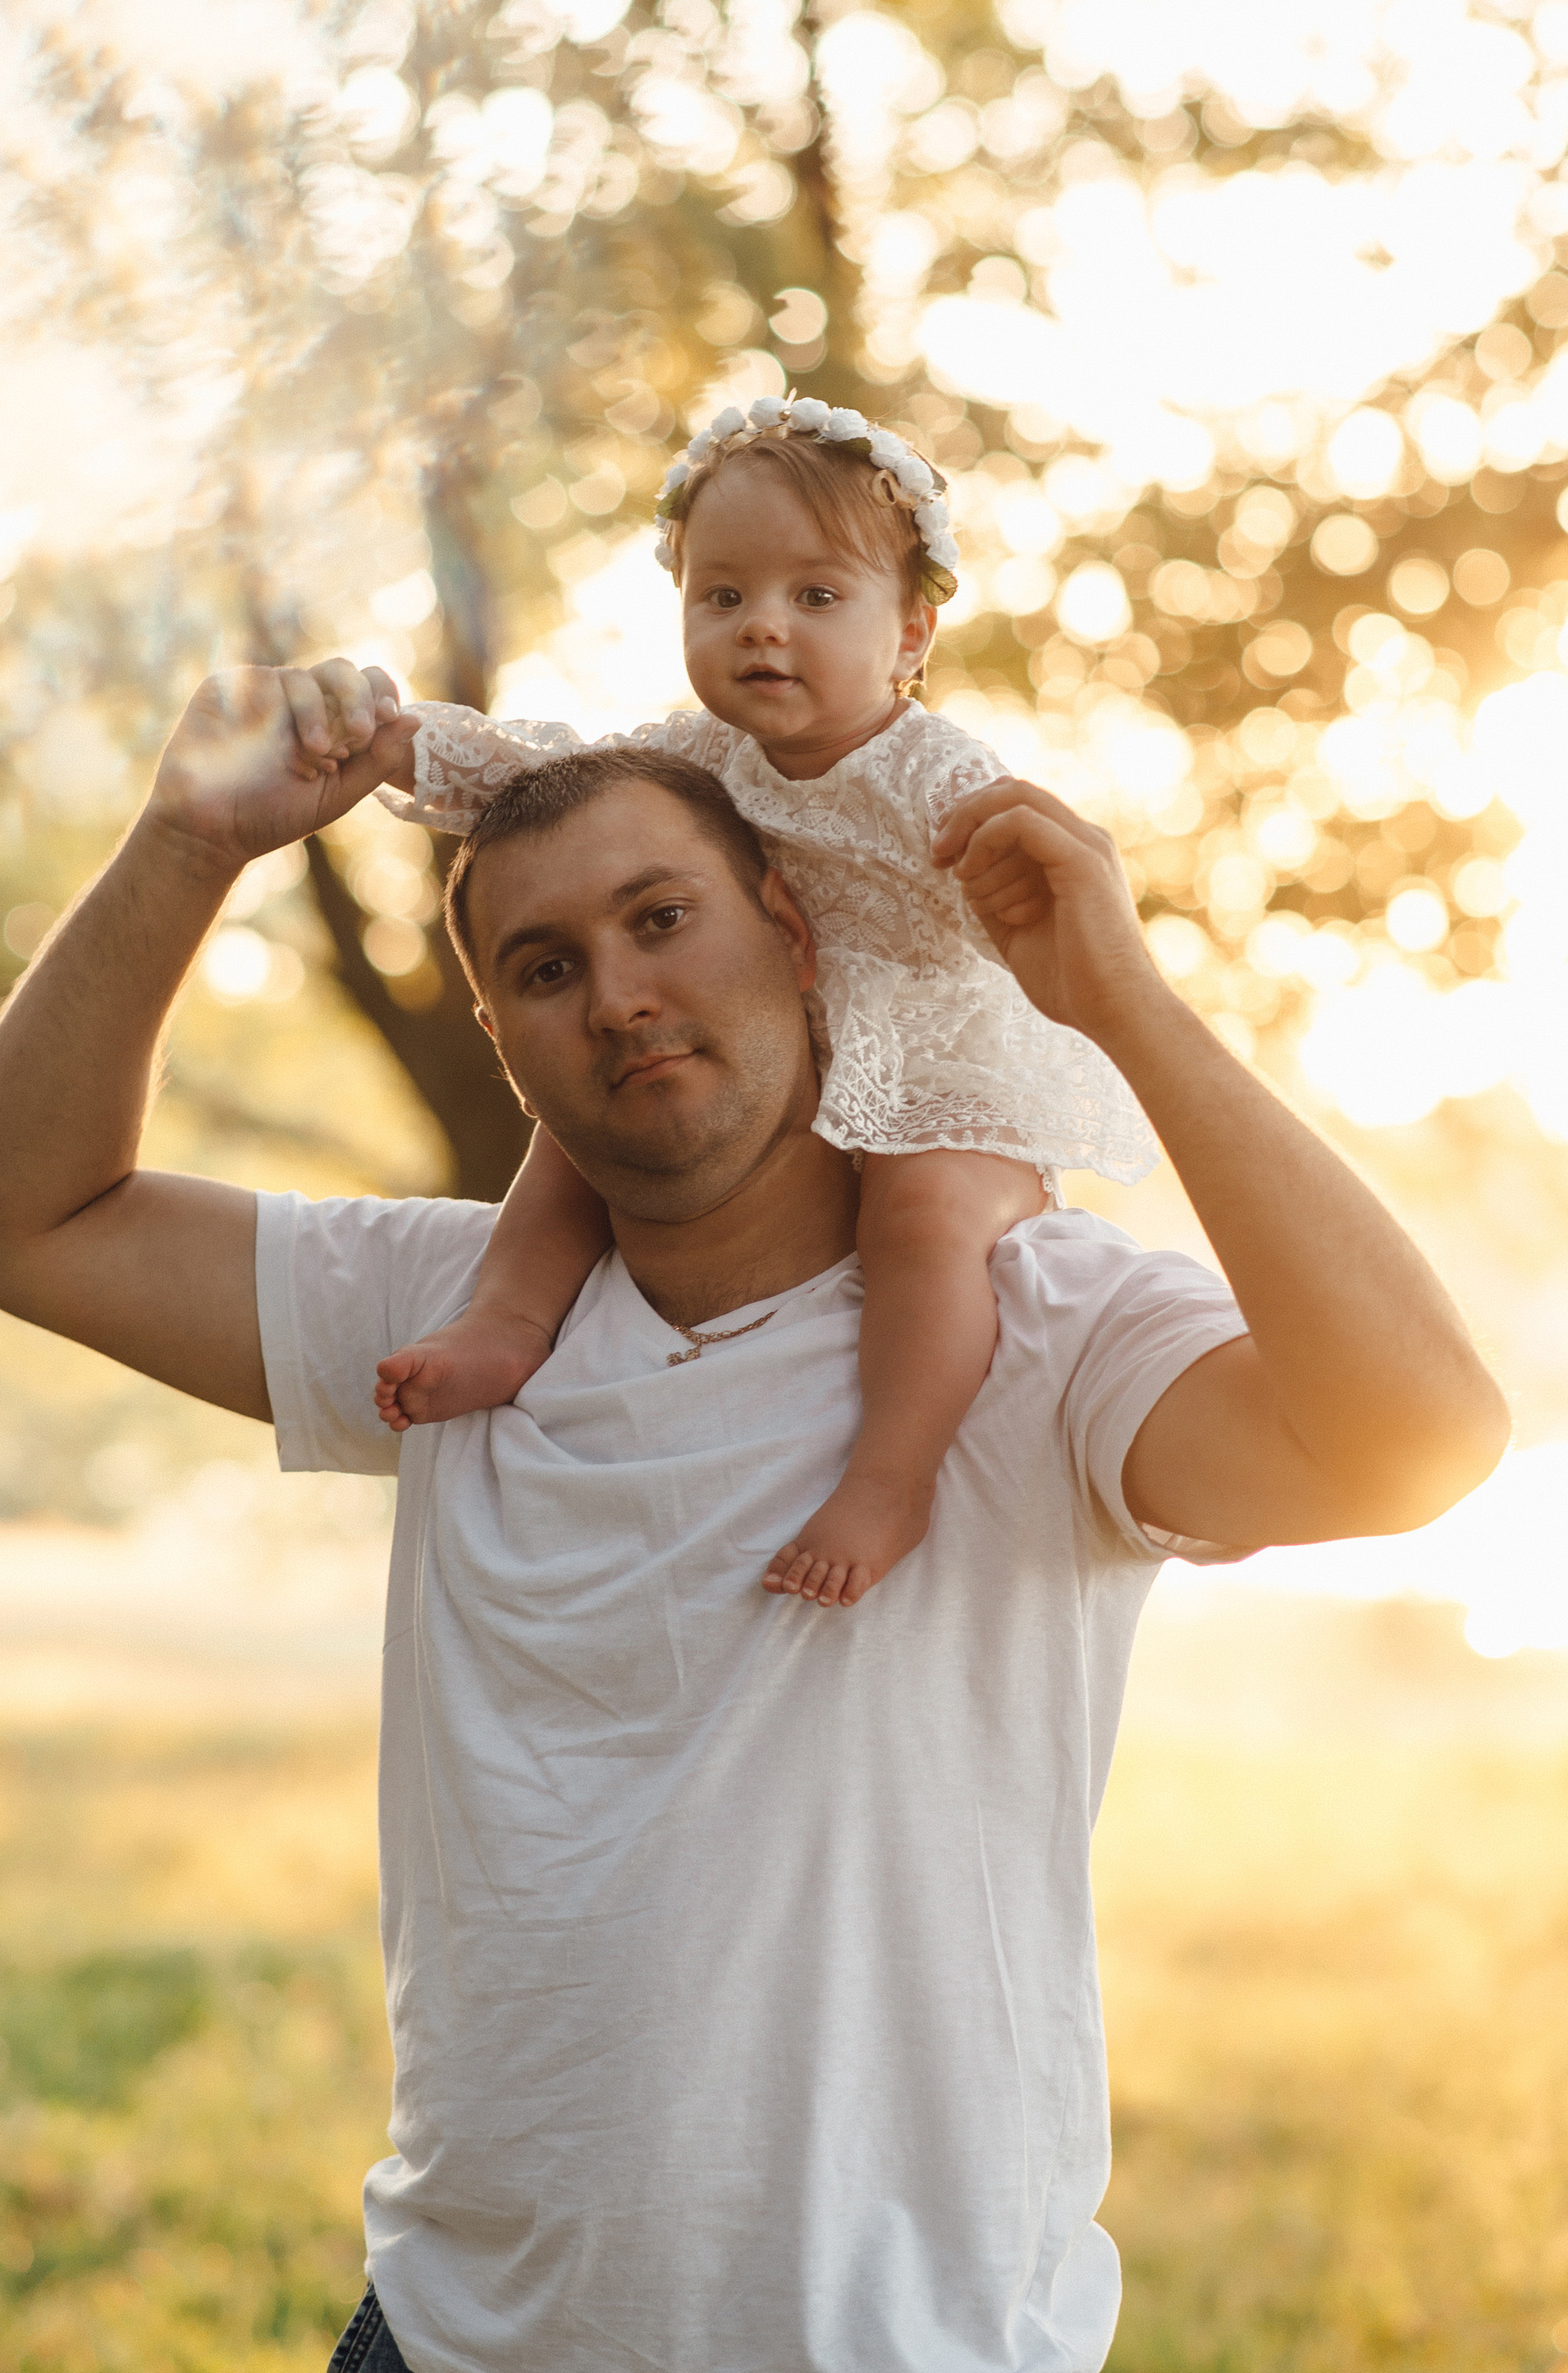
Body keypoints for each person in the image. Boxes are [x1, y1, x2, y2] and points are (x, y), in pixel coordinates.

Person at [0, 658, 1507, 2373]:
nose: (619, 996)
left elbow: (1423, 1436)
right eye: (545, 965)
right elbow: (12, 1213)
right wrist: (186, 843)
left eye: (658, 919)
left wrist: (1124, 1002)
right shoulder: (439, 1323)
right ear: (505, 1038)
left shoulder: (1042, 1334)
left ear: (794, 925)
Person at [367, 390, 1159, 1612]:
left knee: (921, 1215)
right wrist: (402, 746)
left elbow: (1026, 880)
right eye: (722, 596)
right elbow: (543, 776)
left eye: (816, 596)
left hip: (948, 1060)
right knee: (579, 1138)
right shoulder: (700, 758)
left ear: (911, 632)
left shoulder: (932, 770)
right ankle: (509, 1321)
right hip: (789, 1038)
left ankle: (890, 1480)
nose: (762, 629)